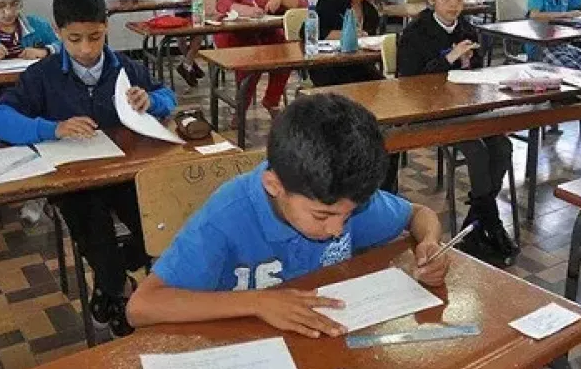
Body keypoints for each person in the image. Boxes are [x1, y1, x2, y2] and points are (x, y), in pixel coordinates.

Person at [126, 94, 450, 334]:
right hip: (242, 353)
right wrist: (257, 302)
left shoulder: (340, 197)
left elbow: (418, 215)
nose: (337, 230)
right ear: (274, 186)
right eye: (322, 217)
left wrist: (430, 244)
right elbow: (142, 306)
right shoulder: (226, 216)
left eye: (347, 216)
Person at [0, 0, 177, 338]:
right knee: (92, 225)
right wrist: (51, 128)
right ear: (57, 33)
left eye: (95, 37)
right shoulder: (42, 76)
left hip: (123, 175)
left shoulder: (125, 68)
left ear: (106, 28)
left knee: (157, 219)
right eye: (74, 39)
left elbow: (167, 96)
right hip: (74, 182)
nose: (86, 49)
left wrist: (152, 101)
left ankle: (114, 277)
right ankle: (117, 288)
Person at [396, 0, 520, 268]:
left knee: (502, 147)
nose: (454, 4)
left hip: (465, 107)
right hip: (428, 110)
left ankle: (477, 221)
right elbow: (408, 82)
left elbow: (477, 76)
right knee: (476, 151)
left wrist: (468, 64)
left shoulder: (467, 29)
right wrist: (449, 58)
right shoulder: (415, 32)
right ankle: (489, 220)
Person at [215, 0, 308, 129]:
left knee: (287, 54)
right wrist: (244, 10)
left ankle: (271, 100)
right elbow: (221, 2)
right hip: (236, 33)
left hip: (266, 31)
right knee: (253, 62)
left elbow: (303, 3)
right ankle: (241, 107)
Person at [303, 0, 386, 87]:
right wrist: (344, 35)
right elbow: (305, 32)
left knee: (385, 88)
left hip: (359, 66)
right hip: (329, 67)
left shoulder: (371, 12)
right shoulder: (329, 3)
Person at [161, 0, 219, 86]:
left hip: (195, 9)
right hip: (177, 9)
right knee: (181, 35)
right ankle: (190, 64)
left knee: (199, 31)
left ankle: (187, 64)